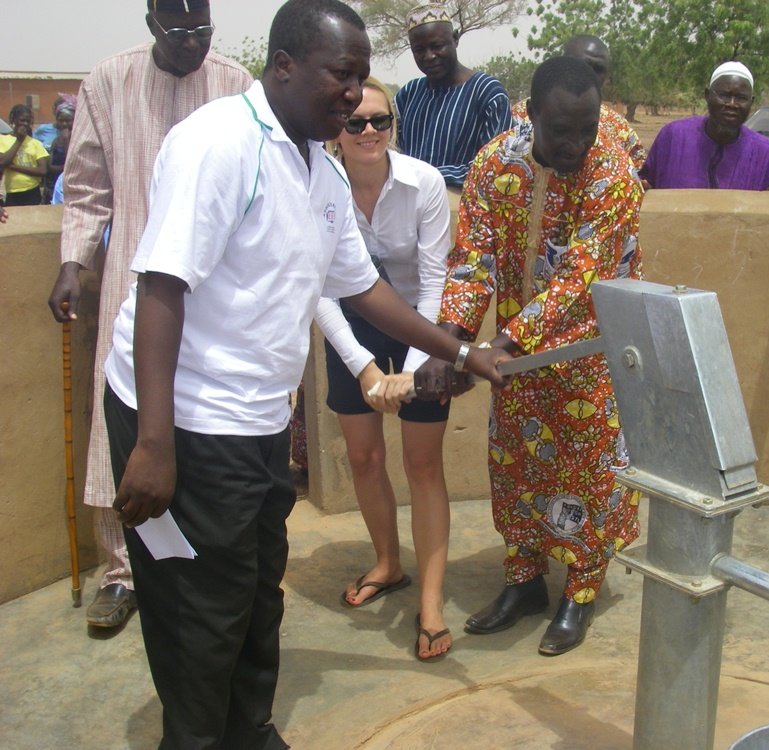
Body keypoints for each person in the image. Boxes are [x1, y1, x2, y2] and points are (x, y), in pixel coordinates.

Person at [101, 1, 507, 744]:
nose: (353, 96)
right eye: (341, 77)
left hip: (256, 417)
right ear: (284, 67)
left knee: (259, 588)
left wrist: (459, 351)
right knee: (202, 607)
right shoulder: (219, 144)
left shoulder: (318, 168)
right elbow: (162, 286)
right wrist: (153, 445)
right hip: (186, 416)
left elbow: (365, 289)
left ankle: (249, 730)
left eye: (362, 79)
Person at [415, 56, 643, 657]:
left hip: (589, 354)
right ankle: (524, 582)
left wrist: (493, 349)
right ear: (532, 115)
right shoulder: (494, 166)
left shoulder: (612, 174)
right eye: (561, 130)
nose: (576, 143)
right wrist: (450, 343)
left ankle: (581, 591)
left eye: (587, 128)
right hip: (514, 362)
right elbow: (473, 261)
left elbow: (579, 281)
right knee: (515, 463)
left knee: (590, 471)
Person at [46, 0, 252, 632]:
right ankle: (121, 572)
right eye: (179, 31)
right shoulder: (109, 80)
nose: (193, 43)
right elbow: (86, 186)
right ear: (152, 25)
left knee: (207, 419)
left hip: (217, 286)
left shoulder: (236, 84)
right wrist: (73, 262)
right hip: (133, 282)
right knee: (124, 423)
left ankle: (206, 559)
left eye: (203, 29)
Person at [318, 77, 455, 661]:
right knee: (364, 457)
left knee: (422, 463)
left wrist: (416, 369)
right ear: (337, 130)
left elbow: (435, 280)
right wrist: (365, 369)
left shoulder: (424, 183)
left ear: (393, 126)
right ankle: (387, 563)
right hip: (350, 325)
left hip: (419, 322)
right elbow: (318, 286)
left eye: (381, 121)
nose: (369, 131)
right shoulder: (317, 184)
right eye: (356, 122)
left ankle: (431, 601)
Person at [394, 3, 512, 187]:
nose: (429, 56)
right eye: (419, 50)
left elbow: (493, 167)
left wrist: (427, 176)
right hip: (408, 199)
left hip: (462, 202)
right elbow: (392, 155)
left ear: (455, 39)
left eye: (437, 46)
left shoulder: (488, 94)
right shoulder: (408, 95)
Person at [640, 61, 769, 191]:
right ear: (707, 95)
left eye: (741, 98)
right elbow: (644, 184)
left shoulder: (766, 154)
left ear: (751, 102)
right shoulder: (673, 137)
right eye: (724, 95)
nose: (732, 104)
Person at [511, 34, 646, 172]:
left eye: (598, 69)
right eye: (560, 129)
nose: (587, 73)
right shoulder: (518, 116)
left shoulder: (619, 128)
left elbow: (639, 173)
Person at [0, 105, 50, 206]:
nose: (25, 124)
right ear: (13, 120)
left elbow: (42, 170)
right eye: (22, 120)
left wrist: (13, 167)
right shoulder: (3, 140)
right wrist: (19, 140)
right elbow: (2, 162)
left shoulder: (35, 143)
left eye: (28, 121)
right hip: (12, 192)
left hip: (32, 191)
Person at [45, 96, 76, 201]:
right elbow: (50, 166)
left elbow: (72, 163)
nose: (64, 124)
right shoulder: (56, 141)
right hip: (55, 184)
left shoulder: (80, 140)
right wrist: (63, 168)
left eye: (68, 120)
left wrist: (67, 140)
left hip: (72, 185)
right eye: (61, 120)